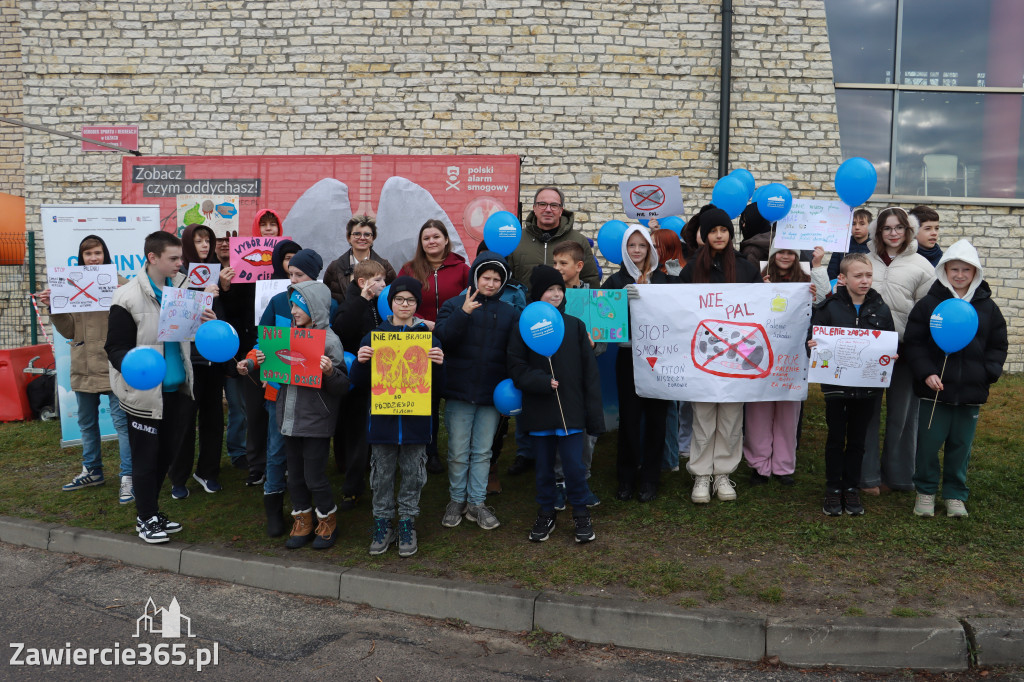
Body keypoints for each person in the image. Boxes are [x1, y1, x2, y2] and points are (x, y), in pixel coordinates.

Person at [105, 230, 215, 543]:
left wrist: (204, 320)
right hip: (145, 395)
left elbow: (187, 335)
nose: (182, 263)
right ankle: (146, 518)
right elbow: (115, 349)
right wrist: (138, 366)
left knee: (166, 456)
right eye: (174, 258)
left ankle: (150, 513)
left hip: (178, 391)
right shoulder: (127, 297)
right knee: (145, 459)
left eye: (181, 257)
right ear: (152, 258)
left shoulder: (181, 287)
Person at [239, 279, 349, 549]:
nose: (294, 311)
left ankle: (327, 520)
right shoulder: (286, 335)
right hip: (287, 418)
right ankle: (303, 519)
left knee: (314, 476)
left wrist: (329, 372)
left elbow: (342, 386)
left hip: (316, 422)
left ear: (316, 307)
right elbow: (269, 361)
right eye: (292, 305)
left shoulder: (330, 341)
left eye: (300, 305)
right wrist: (257, 363)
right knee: (296, 477)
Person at [904, 240, 1007, 518]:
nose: (960, 275)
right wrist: (927, 373)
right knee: (928, 444)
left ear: (976, 273)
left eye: (966, 270)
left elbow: (997, 345)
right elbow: (914, 343)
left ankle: (954, 495)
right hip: (934, 392)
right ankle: (925, 492)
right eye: (954, 269)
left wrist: (989, 373)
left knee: (961, 447)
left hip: (970, 393)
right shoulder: (929, 305)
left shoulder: (988, 308)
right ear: (944, 271)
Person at [350, 277, 445, 558]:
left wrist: (439, 365)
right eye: (399, 299)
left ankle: (406, 522)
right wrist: (360, 361)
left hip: (416, 423)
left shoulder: (429, 339)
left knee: (414, 474)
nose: (405, 305)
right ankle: (381, 523)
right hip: (383, 423)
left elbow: (440, 388)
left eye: (411, 300)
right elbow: (358, 382)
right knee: (382, 475)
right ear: (390, 302)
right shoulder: (374, 337)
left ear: (417, 305)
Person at [508, 265, 604, 543]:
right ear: (537, 294)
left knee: (574, 467)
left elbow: (590, 374)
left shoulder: (575, 326)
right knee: (544, 467)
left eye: (559, 289)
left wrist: (593, 416)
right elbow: (516, 367)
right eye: (549, 289)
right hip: (539, 410)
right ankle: (546, 512)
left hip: (571, 411)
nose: (555, 294)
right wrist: (540, 381)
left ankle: (581, 514)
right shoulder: (521, 327)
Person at [38, 235, 133, 503]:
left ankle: (129, 477)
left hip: (114, 364)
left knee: (122, 424)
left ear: (106, 255)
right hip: (84, 363)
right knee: (87, 423)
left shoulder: (121, 283)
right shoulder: (71, 284)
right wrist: (54, 305)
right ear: (81, 258)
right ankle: (92, 471)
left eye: (98, 253)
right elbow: (68, 329)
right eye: (88, 253)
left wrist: (119, 290)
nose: (93, 258)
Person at [678, 205, 760, 504]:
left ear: (731, 233)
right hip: (704, 356)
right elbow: (676, 307)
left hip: (737, 357)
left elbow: (759, 312)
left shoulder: (746, 269)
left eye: (724, 230)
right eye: (713, 230)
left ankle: (723, 473)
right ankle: (701, 475)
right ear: (705, 235)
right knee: (702, 416)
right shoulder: (691, 269)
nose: (719, 235)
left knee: (730, 417)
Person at [434, 251, 520, 531]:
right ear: (475, 277)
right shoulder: (453, 305)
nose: (491, 284)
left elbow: (513, 354)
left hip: (491, 396)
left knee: (482, 452)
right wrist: (464, 313)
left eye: (497, 279)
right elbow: (443, 340)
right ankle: (456, 500)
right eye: (486, 277)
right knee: (458, 451)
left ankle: (477, 503)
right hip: (459, 391)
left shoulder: (510, 314)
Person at [808, 253, 895, 516]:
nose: (865, 281)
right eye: (858, 276)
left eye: (868, 275)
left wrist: (890, 354)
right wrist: (811, 345)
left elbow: (889, 341)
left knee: (858, 440)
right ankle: (833, 489)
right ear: (842, 279)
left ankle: (851, 488)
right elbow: (811, 340)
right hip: (836, 389)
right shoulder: (828, 307)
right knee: (836, 438)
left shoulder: (880, 308)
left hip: (868, 388)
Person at [862, 207, 935, 495]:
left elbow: (928, 311)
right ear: (877, 232)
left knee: (903, 416)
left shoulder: (923, 266)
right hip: (867, 348)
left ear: (908, 230)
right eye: (886, 228)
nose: (893, 233)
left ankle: (900, 475)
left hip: (905, 349)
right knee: (866, 413)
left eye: (899, 228)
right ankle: (866, 476)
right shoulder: (863, 261)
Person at [245, 245, 317, 537]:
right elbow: (263, 341)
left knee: (307, 455)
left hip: (312, 396)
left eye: (299, 274)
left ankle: (309, 509)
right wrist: (252, 360)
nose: (294, 280)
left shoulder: (326, 305)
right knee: (276, 451)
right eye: (291, 274)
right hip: (278, 392)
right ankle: (273, 506)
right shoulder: (276, 302)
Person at [605, 225, 671, 502]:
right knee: (629, 419)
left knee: (657, 419)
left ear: (650, 249)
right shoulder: (614, 281)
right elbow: (603, 321)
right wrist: (620, 301)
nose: (636, 250)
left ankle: (650, 478)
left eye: (642, 245)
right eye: (631, 245)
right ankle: (626, 476)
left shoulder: (665, 281)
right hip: (628, 357)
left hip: (659, 359)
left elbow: (678, 315)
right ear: (624, 249)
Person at [399, 219, 469, 474]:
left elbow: (471, 302)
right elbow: (399, 302)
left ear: (446, 240)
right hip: (420, 341)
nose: (431, 241)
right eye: (426, 238)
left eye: (436, 237)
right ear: (421, 243)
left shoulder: (462, 269)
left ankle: (461, 453)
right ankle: (428, 453)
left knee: (455, 398)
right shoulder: (409, 269)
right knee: (425, 400)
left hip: (456, 342)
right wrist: (420, 323)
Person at [744, 247, 813, 486]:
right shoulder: (757, 279)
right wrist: (758, 293)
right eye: (780, 252)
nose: (785, 257)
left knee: (788, 413)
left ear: (797, 257)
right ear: (772, 255)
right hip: (761, 357)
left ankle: (784, 466)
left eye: (791, 253)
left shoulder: (807, 282)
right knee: (758, 413)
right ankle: (759, 465)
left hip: (792, 360)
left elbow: (822, 309)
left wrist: (816, 292)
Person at [167, 223, 227, 499]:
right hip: (189, 359)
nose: (204, 245)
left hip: (214, 359)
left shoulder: (219, 274)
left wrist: (222, 293)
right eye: (199, 240)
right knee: (185, 420)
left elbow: (228, 320)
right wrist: (202, 297)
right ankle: (178, 477)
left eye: (208, 240)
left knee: (214, 418)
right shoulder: (178, 276)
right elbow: (174, 318)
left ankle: (207, 471)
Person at [330, 258, 386, 511]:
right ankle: (352, 488)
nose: (385, 285)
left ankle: (375, 476)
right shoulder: (352, 302)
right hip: (357, 379)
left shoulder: (379, 302)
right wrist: (362, 299)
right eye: (379, 281)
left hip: (381, 377)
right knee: (356, 434)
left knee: (371, 432)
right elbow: (342, 327)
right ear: (363, 283)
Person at [506, 187, 600, 292]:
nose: (548, 209)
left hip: (568, 307)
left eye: (554, 205)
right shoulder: (516, 240)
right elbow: (507, 281)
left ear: (561, 211)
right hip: (525, 307)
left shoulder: (579, 241)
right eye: (542, 204)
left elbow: (591, 280)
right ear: (534, 208)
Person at [650, 227, 690, 472]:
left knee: (672, 405)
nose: (651, 251)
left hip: (676, 345)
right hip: (654, 342)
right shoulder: (649, 272)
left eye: (656, 246)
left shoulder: (679, 272)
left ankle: (672, 456)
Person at [213, 235, 248, 471]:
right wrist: (223, 289)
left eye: (228, 240)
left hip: (247, 347)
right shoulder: (207, 272)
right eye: (218, 240)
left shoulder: (248, 269)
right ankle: (237, 452)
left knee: (247, 406)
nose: (224, 244)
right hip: (221, 351)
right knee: (237, 406)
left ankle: (247, 449)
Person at [323, 214, 397, 304]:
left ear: (373, 238)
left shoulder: (385, 266)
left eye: (367, 234)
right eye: (357, 234)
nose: (362, 238)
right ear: (348, 237)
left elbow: (394, 297)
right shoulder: (335, 267)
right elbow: (326, 299)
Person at [827, 208, 872, 281]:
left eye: (862, 224)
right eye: (853, 224)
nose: (857, 227)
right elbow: (832, 272)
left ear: (870, 226)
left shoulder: (874, 247)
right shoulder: (842, 245)